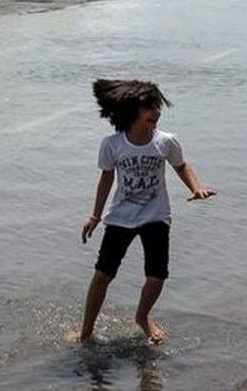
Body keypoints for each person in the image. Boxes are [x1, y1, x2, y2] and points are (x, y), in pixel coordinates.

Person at [79, 79, 215, 344]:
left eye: (157, 107)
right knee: (102, 277)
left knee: (156, 276)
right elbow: (106, 180)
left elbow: (181, 166)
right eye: (150, 108)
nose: (156, 113)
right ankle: (86, 330)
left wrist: (196, 188)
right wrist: (95, 216)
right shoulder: (112, 145)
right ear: (133, 112)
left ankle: (142, 317)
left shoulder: (166, 142)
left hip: (156, 216)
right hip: (120, 217)